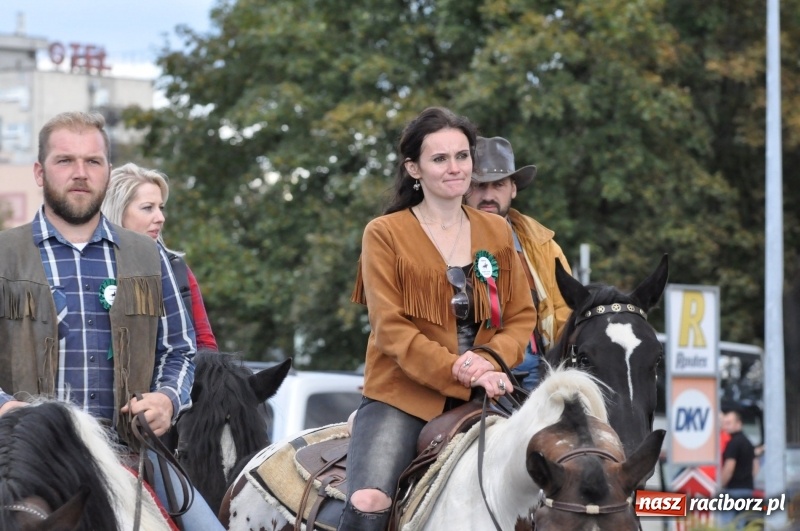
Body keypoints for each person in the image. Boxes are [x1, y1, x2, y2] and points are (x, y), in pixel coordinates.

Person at [0, 111, 222, 530]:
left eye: (93, 161)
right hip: (21, 460)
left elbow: (179, 349)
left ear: (107, 171)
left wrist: (167, 400)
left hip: (130, 454)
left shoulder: (148, 254)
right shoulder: (3, 254)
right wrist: (5, 406)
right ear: (39, 172)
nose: (80, 173)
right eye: (65, 160)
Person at [339, 107, 536, 531]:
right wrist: (459, 369)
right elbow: (390, 329)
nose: (455, 168)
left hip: (490, 388)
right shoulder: (384, 233)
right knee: (369, 499)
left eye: (462, 156)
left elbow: (521, 316)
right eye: (440, 159)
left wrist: (488, 360)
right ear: (414, 168)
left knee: (565, 476)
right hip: (402, 395)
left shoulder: (498, 232)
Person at [463, 136, 572, 390]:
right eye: (479, 185)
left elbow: (565, 316)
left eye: (498, 185)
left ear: (513, 188)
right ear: (464, 188)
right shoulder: (444, 238)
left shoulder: (543, 246)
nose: (488, 196)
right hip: (466, 366)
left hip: (535, 366)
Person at [101, 162, 218, 351]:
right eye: (148, 208)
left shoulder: (176, 268)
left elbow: (205, 345)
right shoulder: (87, 263)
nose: (160, 218)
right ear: (118, 210)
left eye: (160, 207)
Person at [719, 409, 759, 528]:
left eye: (729, 423)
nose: (726, 426)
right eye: (725, 423)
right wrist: (747, 478)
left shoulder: (733, 443)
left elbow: (729, 468)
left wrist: (720, 484)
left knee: (727, 524)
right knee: (740, 524)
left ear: (738, 423)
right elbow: (756, 466)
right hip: (747, 489)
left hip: (733, 489)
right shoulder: (748, 442)